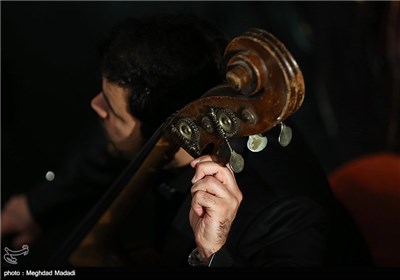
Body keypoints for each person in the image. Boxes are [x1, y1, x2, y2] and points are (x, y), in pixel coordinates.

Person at [1, 14, 371, 267]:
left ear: (174, 128)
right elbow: (119, 147)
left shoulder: (284, 215)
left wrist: (212, 255)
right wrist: (37, 205)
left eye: (111, 110)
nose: (94, 106)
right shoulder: (187, 122)